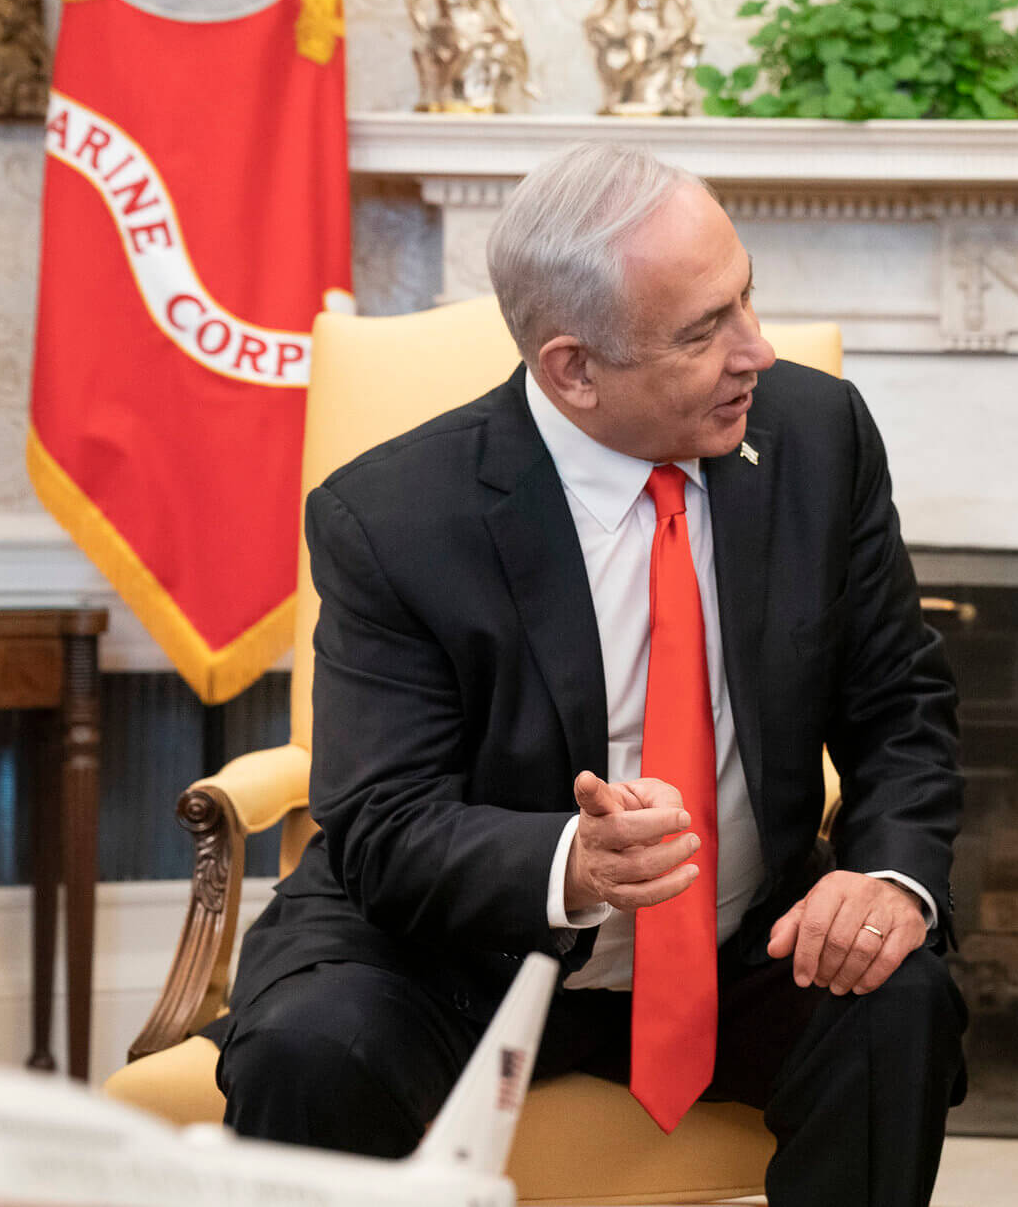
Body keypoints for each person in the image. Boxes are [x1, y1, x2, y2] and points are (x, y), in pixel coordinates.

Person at [214, 142, 967, 1207]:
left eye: (744, 297)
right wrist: (572, 859)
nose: (755, 349)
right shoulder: (392, 518)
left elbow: (899, 705)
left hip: (744, 939)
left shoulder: (816, 435)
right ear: (571, 368)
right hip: (455, 952)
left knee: (899, 1001)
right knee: (312, 1050)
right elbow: (381, 821)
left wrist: (884, 878)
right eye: (705, 331)